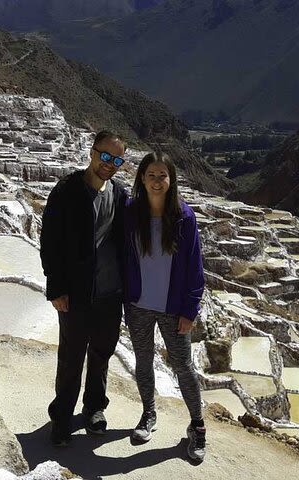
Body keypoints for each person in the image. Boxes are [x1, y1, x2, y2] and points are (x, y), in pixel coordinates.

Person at [40, 130, 129, 447]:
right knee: (71, 358)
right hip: (76, 293)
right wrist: (56, 287)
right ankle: (61, 418)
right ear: (92, 153)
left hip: (110, 293)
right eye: (105, 156)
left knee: (102, 353)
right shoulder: (66, 190)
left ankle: (94, 408)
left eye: (117, 159)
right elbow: (49, 241)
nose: (110, 164)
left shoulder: (118, 194)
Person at [123, 151, 207, 462]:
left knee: (184, 367)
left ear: (171, 181)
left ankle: (197, 427)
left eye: (163, 176)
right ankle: (148, 414)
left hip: (174, 309)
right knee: (143, 362)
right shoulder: (130, 213)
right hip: (139, 306)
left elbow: (195, 268)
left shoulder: (184, 217)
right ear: (141, 179)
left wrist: (190, 310)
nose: (157, 182)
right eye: (151, 176)